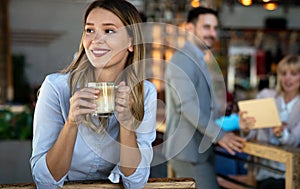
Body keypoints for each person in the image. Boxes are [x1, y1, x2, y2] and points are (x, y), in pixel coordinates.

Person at [30, 0, 157, 188]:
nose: (96, 40)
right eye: (90, 30)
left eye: (109, 31)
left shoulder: (144, 92)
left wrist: (127, 124)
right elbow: (44, 181)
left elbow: (136, 181)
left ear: (131, 42)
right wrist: (71, 123)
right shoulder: (56, 87)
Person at [163, 6, 245, 189]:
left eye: (215, 28)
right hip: (188, 152)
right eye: (206, 27)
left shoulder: (198, 57)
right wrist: (220, 135)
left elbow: (205, 107)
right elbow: (187, 106)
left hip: (199, 150)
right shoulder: (182, 59)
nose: (212, 33)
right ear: (190, 28)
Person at [239, 54, 300, 189]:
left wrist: (281, 134)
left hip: (291, 173)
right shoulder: (266, 96)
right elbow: (251, 133)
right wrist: (246, 128)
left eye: (294, 73)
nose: (287, 78)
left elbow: (295, 140)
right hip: (263, 169)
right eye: (283, 73)